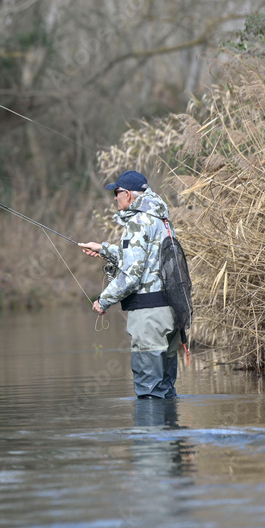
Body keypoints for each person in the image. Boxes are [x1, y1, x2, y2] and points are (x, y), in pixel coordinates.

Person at [79, 170, 180, 399]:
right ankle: (170, 435)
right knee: (165, 389)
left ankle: (148, 434)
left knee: (149, 391)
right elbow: (147, 258)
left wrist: (103, 301)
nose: (115, 198)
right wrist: (103, 249)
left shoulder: (137, 222)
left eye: (116, 193)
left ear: (128, 195)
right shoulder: (162, 221)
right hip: (171, 312)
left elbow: (131, 276)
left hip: (149, 315)